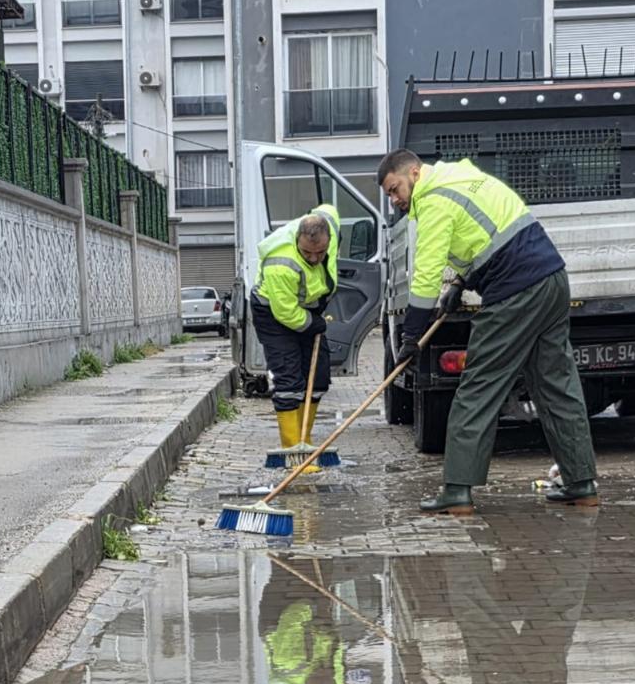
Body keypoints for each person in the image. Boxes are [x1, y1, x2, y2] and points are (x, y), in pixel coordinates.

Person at [376, 149, 598, 513]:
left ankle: (457, 490)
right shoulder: (461, 176)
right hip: (552, 279)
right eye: (389, 194)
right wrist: (460, 284)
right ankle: (582, 482)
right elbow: (486, 232)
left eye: (394, 188)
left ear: (414, 173)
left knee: (478, 388)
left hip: (516, 291)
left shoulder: (432, 200)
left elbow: (426, 276)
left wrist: (410, 336)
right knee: (557, 385)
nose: (394, 199)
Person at [252, 204, 340, 473]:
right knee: (289, 379)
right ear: (297, 241)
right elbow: (285, 313)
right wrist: (314, 323)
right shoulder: (281, 264)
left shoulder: (331, 225)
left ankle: (305, 442)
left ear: (329, 239)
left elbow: (328, 209)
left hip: (306, 308)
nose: (314, 258)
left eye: (320, 252)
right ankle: (293, 452)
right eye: (306, 253)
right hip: (273, 313)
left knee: (318, 378)